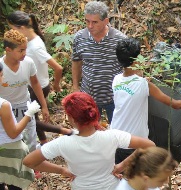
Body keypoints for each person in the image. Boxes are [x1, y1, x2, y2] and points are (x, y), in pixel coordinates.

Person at [23, 92, 155, 190]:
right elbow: (149, 145)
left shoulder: (63, 143)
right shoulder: (112, 136)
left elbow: (29, 161)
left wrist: (61, 170)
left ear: (72, 119)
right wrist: (121, 166)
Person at [111, 37, 181, 164]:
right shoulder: (143, 85)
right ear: (136, 60)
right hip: (134, 143)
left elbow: (131, 87)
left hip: (115, 137)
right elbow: (174, 104)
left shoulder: (116, 80)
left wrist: (142, 79)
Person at [7, 10, 76, 146]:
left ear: (21, 28)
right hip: (34, 85)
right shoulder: (28, 41)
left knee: (30, 120)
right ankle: (44, 143)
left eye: (13, 29)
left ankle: (66, 131)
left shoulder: (35, 46)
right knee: (33, 118)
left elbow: (58, 68)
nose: (12, 32)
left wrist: (56, 85)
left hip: (37, 88)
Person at [0, 62, 45, 190]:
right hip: (9, 146)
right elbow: (13, 132)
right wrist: (29, 113)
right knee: (14, 182)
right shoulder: (3, 104)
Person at [72, 1, 126, 123]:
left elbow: (129, 66)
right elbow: (76, 62)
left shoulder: (120, 40)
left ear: (106, 21)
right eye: (87, 21)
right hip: (88, 97)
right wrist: (75, 87)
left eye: (95, 22)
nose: (90, 26)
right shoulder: (79, 38)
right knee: (91, 132)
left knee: (117, 132)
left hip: (114, 97)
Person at [0, 29, 50, 152]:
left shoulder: (28, 62)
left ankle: (32, 167)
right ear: (8, 50)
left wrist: (44, 106)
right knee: (11, 140)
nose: (24, 53)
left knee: (31, 137)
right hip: (6, 109)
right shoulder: (1, 68)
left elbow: (35, 83)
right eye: (21, 50)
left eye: (25, 49)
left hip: (25, 105)